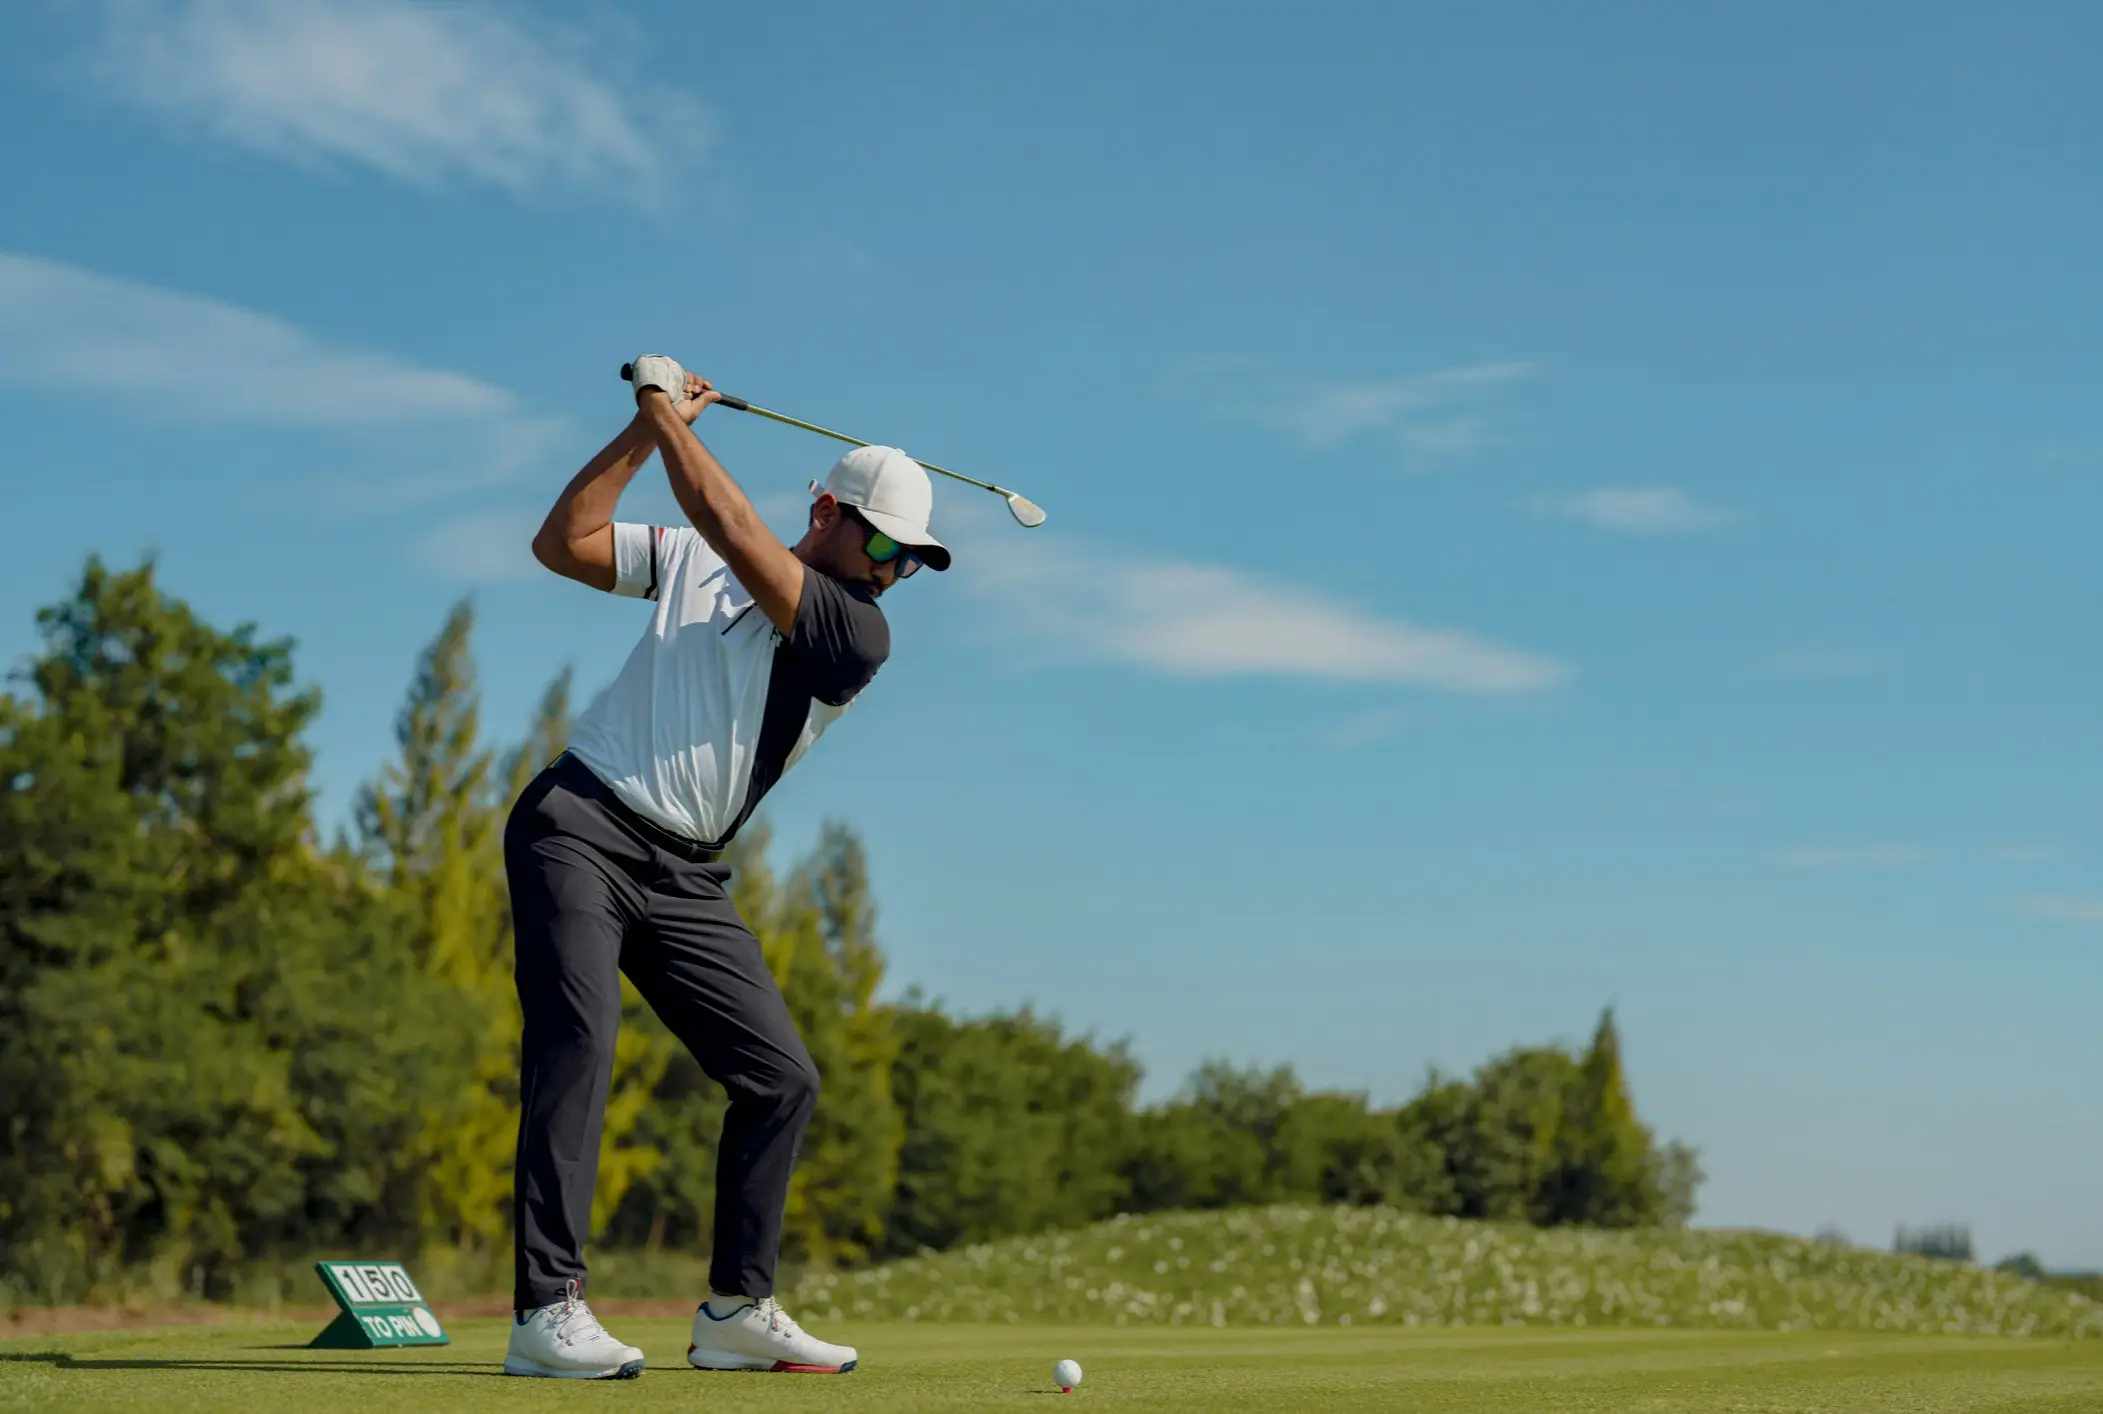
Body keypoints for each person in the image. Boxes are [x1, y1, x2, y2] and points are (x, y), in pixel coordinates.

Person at [499, 354, 949, 1379]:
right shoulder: (693, 564)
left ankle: (737, 1307)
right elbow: (560, 543)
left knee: (780, 1078)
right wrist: (641, 431)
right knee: (580, 1042)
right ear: (828, 510)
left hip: (684, 876)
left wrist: (665, 413)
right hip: (578, 825)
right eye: (884, 541)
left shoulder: (856, 633)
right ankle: (545, 1310)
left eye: (913, 559)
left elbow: (737, 530)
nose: (892, 570)